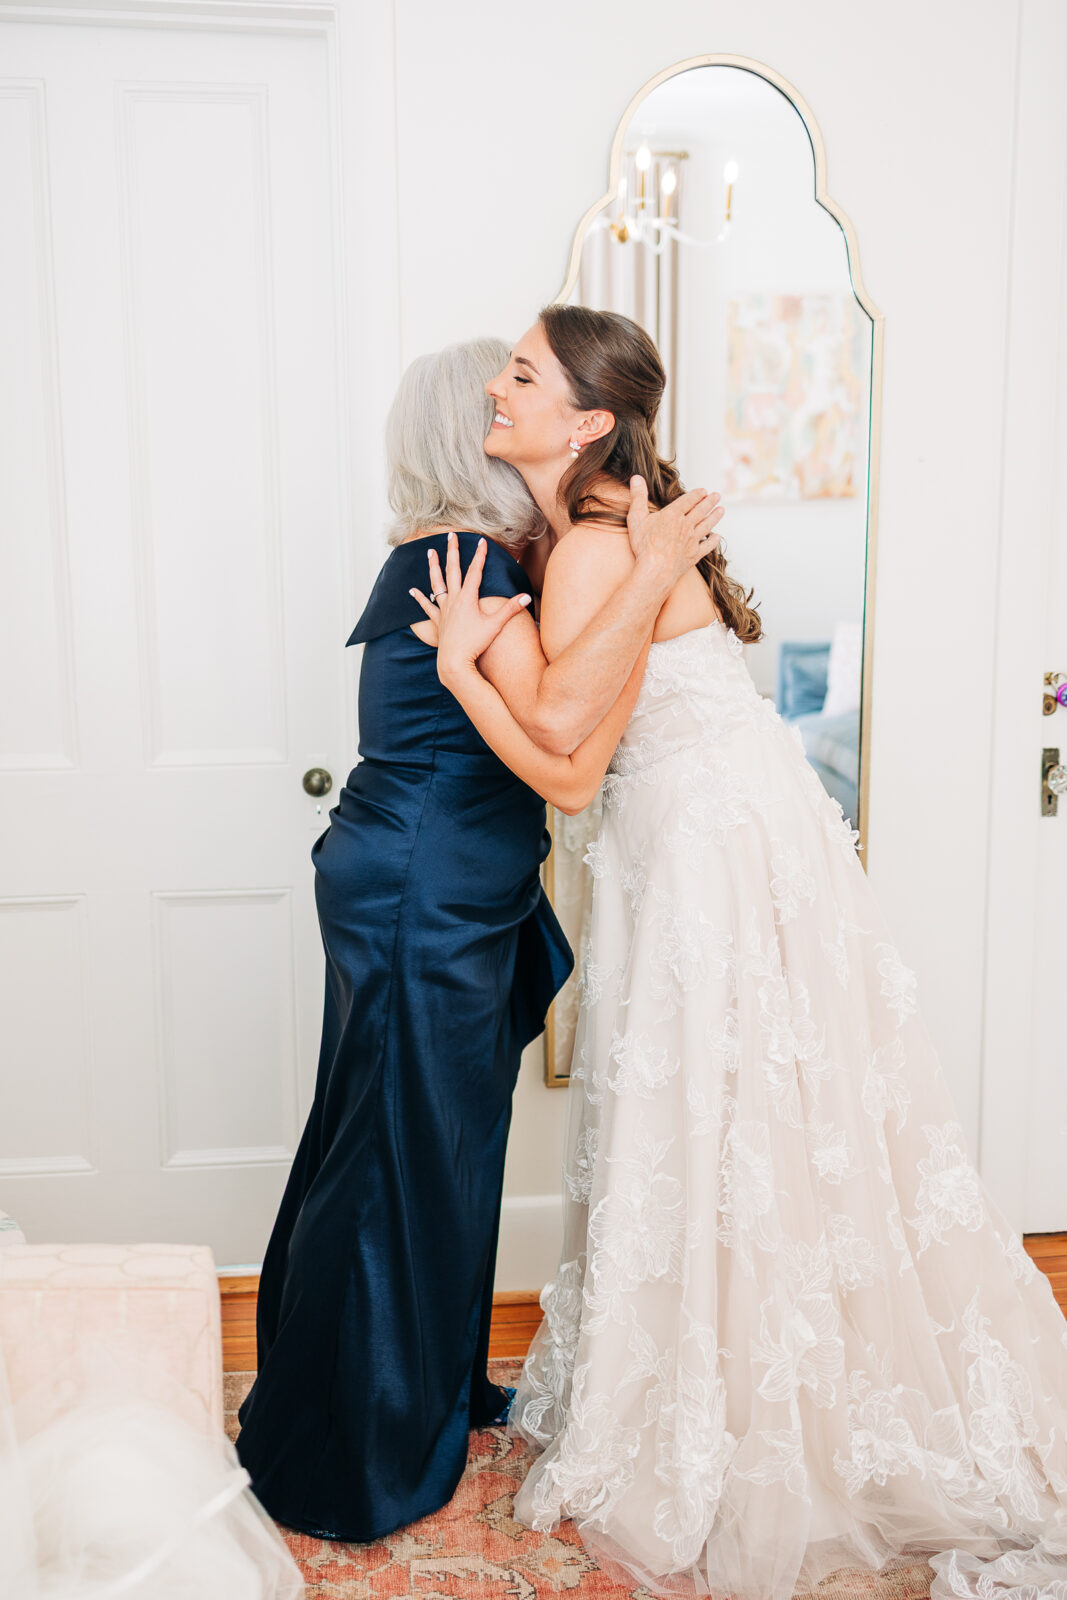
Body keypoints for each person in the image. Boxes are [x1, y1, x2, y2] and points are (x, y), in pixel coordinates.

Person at [412, 304, 1067, 1600]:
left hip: (705, 850)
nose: (497, 387)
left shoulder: (593, 549)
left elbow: (561, 748)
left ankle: (735, 1409)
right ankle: (756, 1379)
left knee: (718, 1117)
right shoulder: (617, 531)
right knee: (756, 1118)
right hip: (733, 830)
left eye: (522, 374)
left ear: (585, 421)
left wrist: (461, 671)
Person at [234, 336, 723, 1543]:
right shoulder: (463, 558)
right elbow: (562, 732)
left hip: (427, 879)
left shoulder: (454, 554)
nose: (511, 405)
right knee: (398, 1159)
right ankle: (349, 1452)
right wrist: (652, 568)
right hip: (426, 888)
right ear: (473, 438)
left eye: (525, 387)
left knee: (416, 1149)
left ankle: (425, 1395)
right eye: (497, 396)